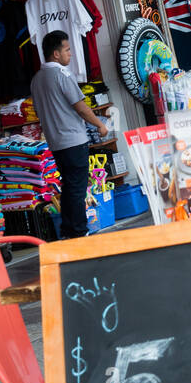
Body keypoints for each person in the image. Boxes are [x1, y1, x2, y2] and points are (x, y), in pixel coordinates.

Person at [31, 30, 111, 239]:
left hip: (55, 141)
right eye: (67, 50)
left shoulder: (37, 79)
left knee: (69, 185)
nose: (71, 54)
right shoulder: (62, 75)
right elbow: (81, 107)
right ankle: (78, 231)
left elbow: (39, 112)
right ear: (55, 54)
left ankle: (68, 229)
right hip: (73, 139)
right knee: (76, 187)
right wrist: (99, 125)